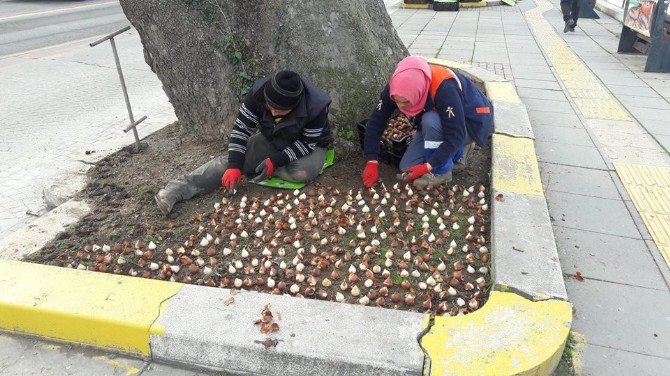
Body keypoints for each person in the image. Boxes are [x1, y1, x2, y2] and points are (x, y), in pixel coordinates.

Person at [155, 70, 333, 215]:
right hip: (274, 138)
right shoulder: (258, 94)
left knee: (301, 173)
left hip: (311, 145)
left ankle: (264, 168)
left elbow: (306, 143)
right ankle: (175, 190)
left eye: (280, 110)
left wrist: (276, 161)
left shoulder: (316, 106)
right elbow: (241, 130)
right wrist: (234, 165)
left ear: (294, 106)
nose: (273, 112)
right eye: (270, 106)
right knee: (231, 161)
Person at [361, 56, 493, 189]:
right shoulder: (396, 87)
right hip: (442, 122)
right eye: (397, 102)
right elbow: (376, 121)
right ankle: (451, 152)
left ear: (419, 91)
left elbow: (455, 134)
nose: (401, 106)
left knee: (430, 120)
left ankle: (443, 171)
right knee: (406, 167)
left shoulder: (445, 88)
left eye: (406, 102)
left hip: (470, 121)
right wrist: (372, 160)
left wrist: (429, 166)